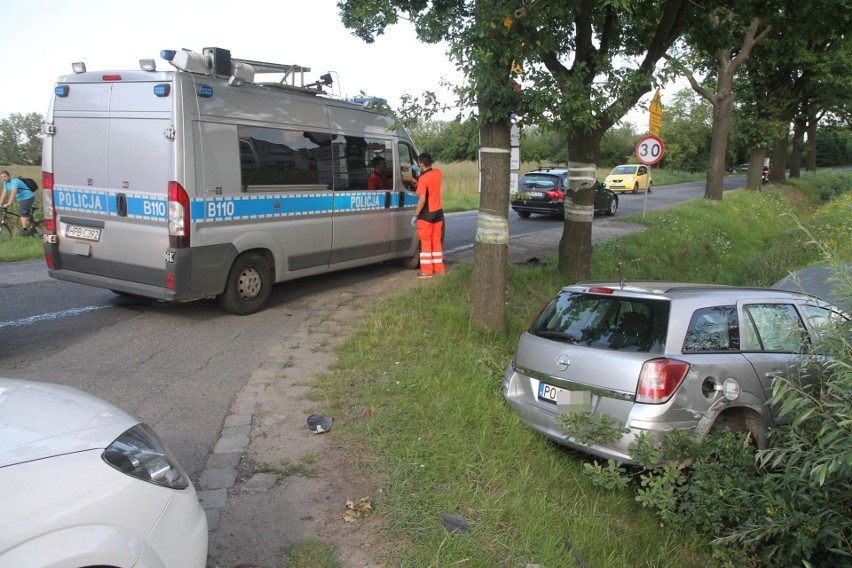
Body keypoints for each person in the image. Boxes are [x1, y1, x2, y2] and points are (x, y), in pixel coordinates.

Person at [411, 152, 444, 279]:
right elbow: (429, 176)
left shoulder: (423, 179)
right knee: (436, 242)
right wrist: (419, 169)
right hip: (438, 213)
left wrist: (415, 214)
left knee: (425, 242)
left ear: (420, 163)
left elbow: (422, 200)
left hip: (426, 215)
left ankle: (426, 271)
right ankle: (439, 269)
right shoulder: (438, 173)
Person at [0, 171, 36, 236]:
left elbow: (13, 192)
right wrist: (0, 203)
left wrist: (9, 203)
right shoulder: (5, 183)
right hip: (21, 199)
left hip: (27, 197)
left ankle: (25, 231)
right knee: (25, 214)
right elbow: (4, 193)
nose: (4, 178)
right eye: (2, 177)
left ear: (9, 176)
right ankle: (33, 228)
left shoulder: (14, 181)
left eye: (5, 176)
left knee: (23, 212)